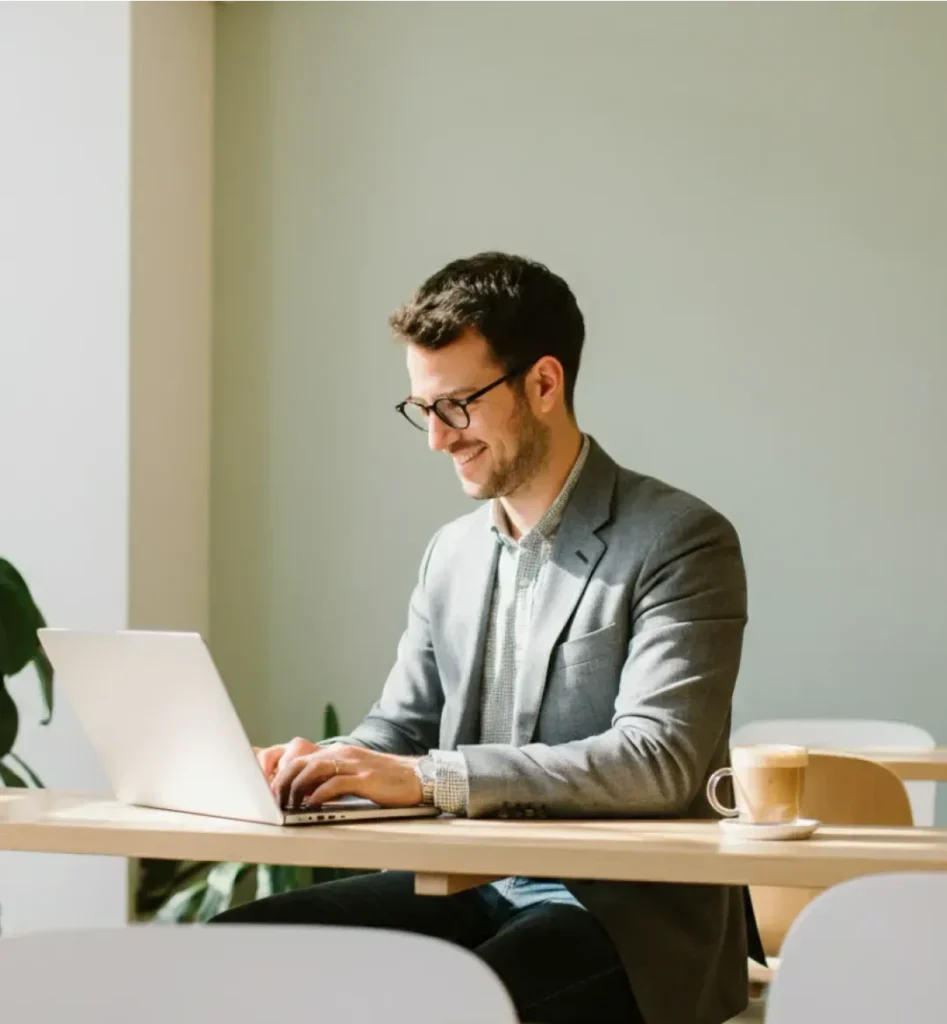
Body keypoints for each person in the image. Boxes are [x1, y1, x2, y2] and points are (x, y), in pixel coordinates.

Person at [213, 252, 750, 1024]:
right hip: (470, 880)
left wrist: (429, 779)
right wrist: (323, 768)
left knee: (459, 1005)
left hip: (624, 914)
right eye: (421, 408)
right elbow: (399, 730)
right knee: (228, 950)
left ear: (542, 383)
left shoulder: (678, 539)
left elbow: (657, 760)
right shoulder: (451, 554)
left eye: (456, 405)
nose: (436, 438)